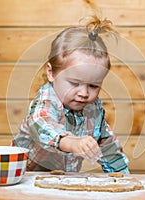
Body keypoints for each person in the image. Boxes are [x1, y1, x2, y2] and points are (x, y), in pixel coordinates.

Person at [12, 14, 129, 174]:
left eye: (94, 86)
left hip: (61, 179)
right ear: (51, 73)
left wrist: (123, 175)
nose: (84, 93)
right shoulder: (47, 100)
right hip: (24, 177)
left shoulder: (93, 110)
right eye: (74, 83)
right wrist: (71, 142)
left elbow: (108, 147)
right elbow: (41, 124)